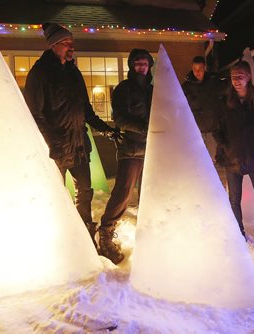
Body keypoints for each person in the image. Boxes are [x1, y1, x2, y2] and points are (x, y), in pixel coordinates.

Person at [23, 23, 118, 251]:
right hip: (54, 149)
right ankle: (57, 243)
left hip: (78, 145)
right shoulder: (40, 74)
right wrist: (53, 144)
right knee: (54, 195)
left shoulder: (74, 73)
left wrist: (105, 129)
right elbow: (35, 115)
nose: (70, 47)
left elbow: (85, 110)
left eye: (71, 44)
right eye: (66, 43)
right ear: (54, 45)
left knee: (85, 192)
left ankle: (84, 240)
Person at [213, 61, 254, 249]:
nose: (236, 80)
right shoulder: (224, 102)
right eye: (233, 77)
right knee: (234, 199)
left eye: (240, 76)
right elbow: (217, 129)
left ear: (249, 76)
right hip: (231, 159)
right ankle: (238, 233)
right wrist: (225, 146)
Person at [99, 48, 154, 265]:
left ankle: (151, 233)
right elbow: (120, 119)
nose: (141, 66)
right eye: (138, 63)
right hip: (130, 150)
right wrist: (143, 127)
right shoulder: (123, 89)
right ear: (132, 65)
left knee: (150, 194)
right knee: (122, 193)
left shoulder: (153, 90)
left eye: (145, 63)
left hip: (152, 149)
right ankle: (105, 233)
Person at [181, 56, 225, 162]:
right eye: (195, 69)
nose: (197, 72)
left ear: (205, 68)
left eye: (200, 69)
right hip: (195, 131)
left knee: (211, 160)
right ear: (192, 68)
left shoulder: (214, 83)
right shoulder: (186, 87)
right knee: (196, 161)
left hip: (212, 130)